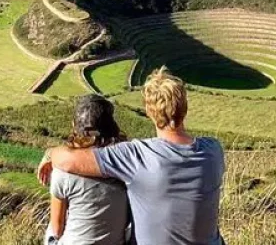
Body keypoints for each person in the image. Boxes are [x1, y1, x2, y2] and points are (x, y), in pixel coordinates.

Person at [38, 67, 225, 245]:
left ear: (150, 112)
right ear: (184, 106)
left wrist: (49, 154)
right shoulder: (214, 150)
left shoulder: (137, 156)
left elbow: (68, 161)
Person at [42, 94, 129, 245]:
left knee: (51, 233)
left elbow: (57, 227)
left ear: (74, 125)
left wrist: (50, 154)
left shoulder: (63, 172)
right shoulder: (127, 165)